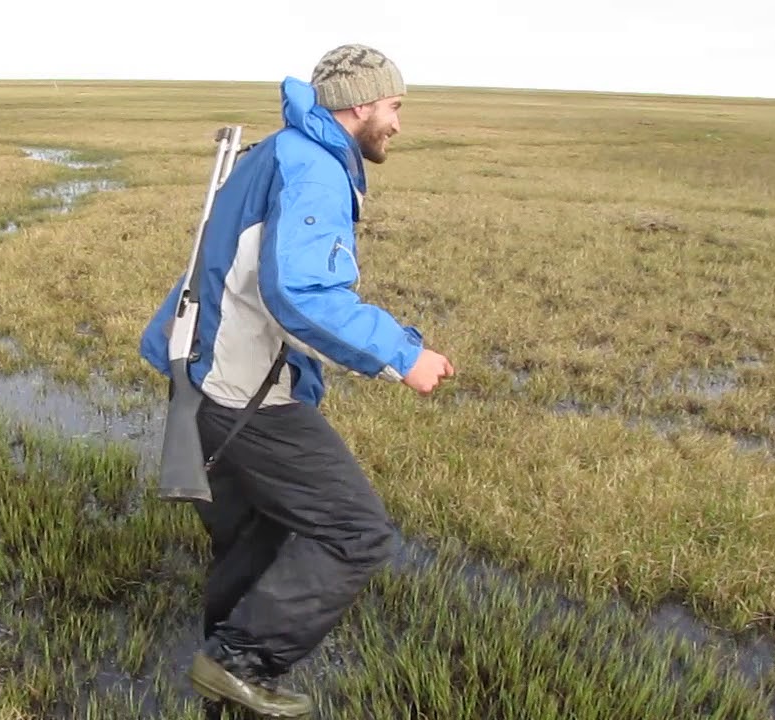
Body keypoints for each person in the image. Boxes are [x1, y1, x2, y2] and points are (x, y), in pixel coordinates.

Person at [138, 43, 455, 717]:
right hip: (245, 397)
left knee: (252, 542)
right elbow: (303, 296)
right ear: (362, 104)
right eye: (395, 107)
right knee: (357, 532)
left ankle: (220, 692)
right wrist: (403, 355)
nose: (398, 123)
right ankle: (237, 661)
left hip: (197, 382)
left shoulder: (277, 151)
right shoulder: (313, 167)